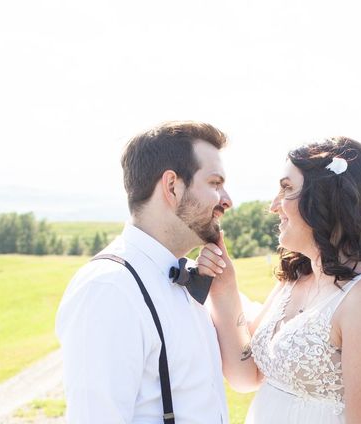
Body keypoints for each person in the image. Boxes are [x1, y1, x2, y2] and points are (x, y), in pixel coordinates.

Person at [197, 137, 361, 424]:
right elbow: (246, 374)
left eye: (287, 189)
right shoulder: (298, 277)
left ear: (327, 197)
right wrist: (224, 286)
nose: (274, 205)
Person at [56, 121, 233, 423]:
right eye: (215, 184)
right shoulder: (108, 289)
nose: (227, 200)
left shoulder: (191, 276)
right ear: (172, 186)